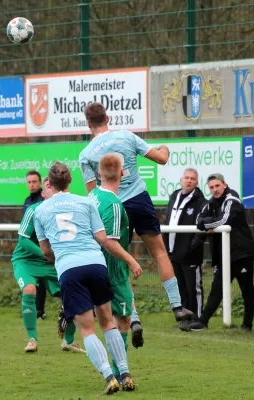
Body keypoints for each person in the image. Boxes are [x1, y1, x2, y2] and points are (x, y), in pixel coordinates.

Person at [79, 102, 193, 327]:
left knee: (121, 262)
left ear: (88, 124)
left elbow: (94, 194)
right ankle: (177, 306)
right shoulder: (126, 136)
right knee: (159, 252)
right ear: (108, 118)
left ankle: (134, 319)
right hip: (140, 199)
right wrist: (165, 148)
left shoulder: (85, 154)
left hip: (114, 206)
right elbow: (161, 158)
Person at [34, 161, 142, 394]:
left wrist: (61, 258)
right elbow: (103, 237)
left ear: (49, 184)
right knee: (107, 322)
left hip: (69, 269)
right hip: (95, 264)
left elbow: (45, 250)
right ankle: (125, 373)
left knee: (87, 330)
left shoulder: (40, 210)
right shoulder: (86, 201)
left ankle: (108, 376)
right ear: (70, 181)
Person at [12, 177, 85, 354]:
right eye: (48, 186)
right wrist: (47, 255)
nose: (51, 188)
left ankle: (69, 341)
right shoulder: (33, 210)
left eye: (54, 185)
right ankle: (32, 339)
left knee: (72, 293)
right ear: (43, 193)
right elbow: (23, 241)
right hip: (27, 260)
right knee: (29, 289)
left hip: (53, 261)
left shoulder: (66, 213)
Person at [88, 153, 143, 382]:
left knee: (106, 321)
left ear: (99, 174)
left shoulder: (92, 196)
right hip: (112, 271)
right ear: (122, 173)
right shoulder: (115, 205)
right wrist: (131, 260)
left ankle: (119, 372)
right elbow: (109, 241)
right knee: (121, 321)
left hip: (92, 266)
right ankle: (120, 372)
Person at [182, 173, 254, 332]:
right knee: (217, 290)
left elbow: (224, 221)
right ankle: (203, 322)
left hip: (242, 253)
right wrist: (205, 224)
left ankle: (247, 325)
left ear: (224, 184)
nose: (215, 190)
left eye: (217, 186)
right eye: (211, 187)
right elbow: (199, 219)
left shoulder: (232, 199)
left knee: (247, 291)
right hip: (225, 255)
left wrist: (206, 224)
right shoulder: (211, 202)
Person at [164, 168, 207, 320]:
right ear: (181, 180)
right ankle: (185, 320)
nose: (189, 181)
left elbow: (203, 228)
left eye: (193, 179)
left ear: (197, 182)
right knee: (180, 288)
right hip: (172, 252)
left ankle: (197, 319)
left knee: (193, 289)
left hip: (190, 254)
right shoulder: (174, 196)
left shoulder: (201, 202)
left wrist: (192, 246)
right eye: (186, 178)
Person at [22, 170, 46, 320]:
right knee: (31, 279)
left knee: (43, 279)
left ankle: (41, 310)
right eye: (29, 182)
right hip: (29, 246)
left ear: (40, 183)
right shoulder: (26, 201)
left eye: (34, 182)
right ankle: (33, 310)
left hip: (42, 245)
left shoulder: (43, 200)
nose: (31, 185)